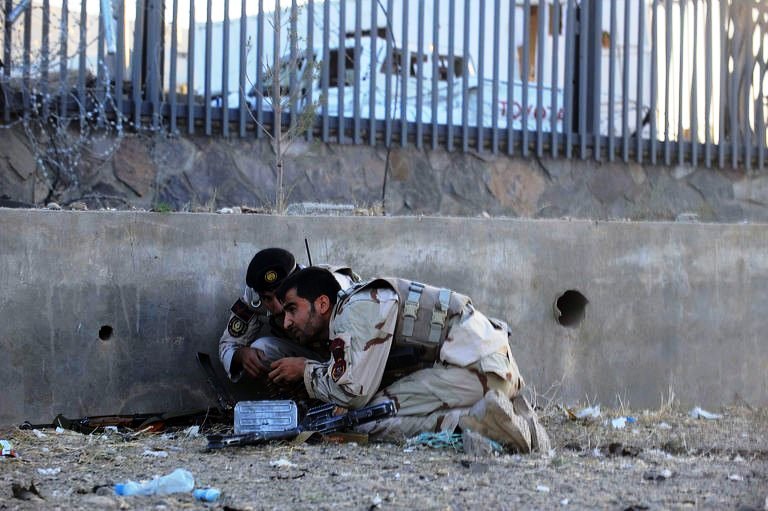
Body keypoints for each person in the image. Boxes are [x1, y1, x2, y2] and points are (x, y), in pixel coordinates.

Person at [269, 267, 550, 453]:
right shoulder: (361, 301)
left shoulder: (354, 310)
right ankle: (508, 413)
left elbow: (353, 393)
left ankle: (481, 422)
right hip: (492, 370)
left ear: (321, 303)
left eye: (292, 309)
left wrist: (305, 372)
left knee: (366, 421)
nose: (287, 321)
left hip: (477, 372)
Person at [218, 248, 359, 387]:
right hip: (308, 355)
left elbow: (361, 349)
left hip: (345, 356)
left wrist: (307, 370)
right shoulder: (253, 299)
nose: (278, 308)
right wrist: (240, 355)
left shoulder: (334, 286)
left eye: (282, 296)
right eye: (267, 298)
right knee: (261, 349)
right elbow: (227, 344)